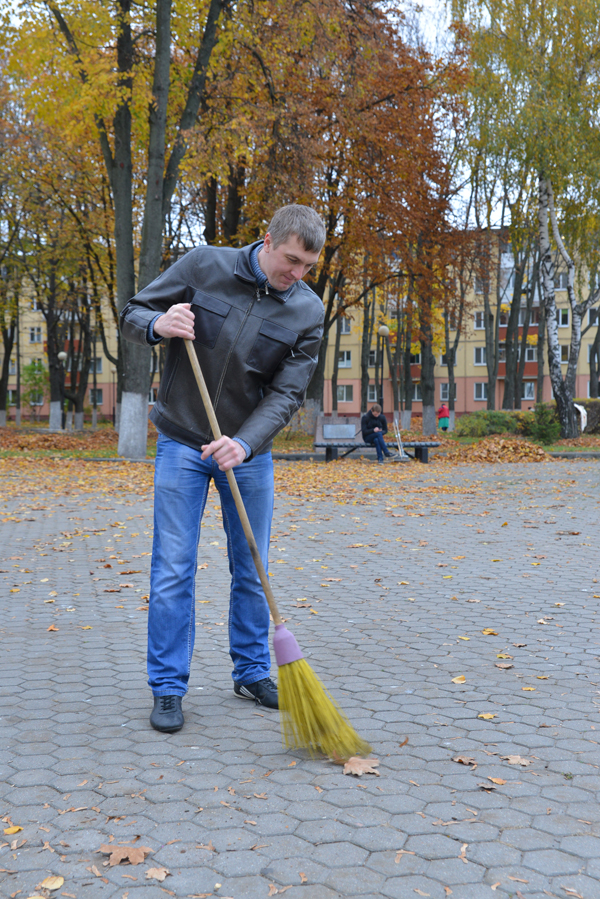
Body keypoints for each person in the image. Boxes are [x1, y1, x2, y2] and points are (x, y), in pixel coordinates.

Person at [120, 205, 325, 733]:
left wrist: (246, 442)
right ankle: (167, 687)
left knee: (252, 568)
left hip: (245, 454)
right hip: (183, 442)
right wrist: (159, 324)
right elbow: (133, 312)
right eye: (290, 260)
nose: (296, 274)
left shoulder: (306, 311)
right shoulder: (203, 266)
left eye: (307, 266)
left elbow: (286, 393)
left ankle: (253, 671)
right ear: (267, 241)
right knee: (172, 570)